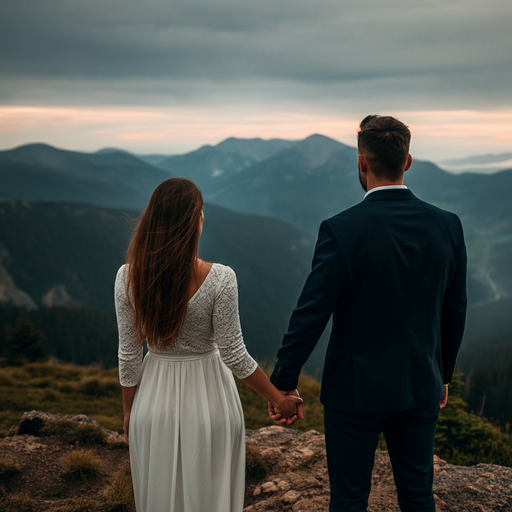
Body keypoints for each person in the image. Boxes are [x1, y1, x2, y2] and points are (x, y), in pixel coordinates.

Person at [269, 115, 467, 512]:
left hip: (353, 392)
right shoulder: (447, 225)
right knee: (417, 496)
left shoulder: (341, 229)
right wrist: (441, 374)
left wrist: (283, 384)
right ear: (407, 161)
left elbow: (311, 313)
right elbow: (454, 308)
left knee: (349, 500)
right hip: (419, 384)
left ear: (362, 162)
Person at [115, 177, 302, 512]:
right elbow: (234, 353)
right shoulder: (220, 278)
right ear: (195, 222)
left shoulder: (127, 277)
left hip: (152, 402)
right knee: (210, 496)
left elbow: (129, 355)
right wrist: (278, 399)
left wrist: (130, 410)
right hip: (210, 398)